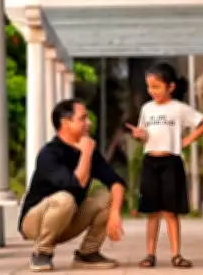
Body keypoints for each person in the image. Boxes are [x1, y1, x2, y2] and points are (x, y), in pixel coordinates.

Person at [19, 98, 127, 272]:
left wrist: (114, 213)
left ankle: (87, 253)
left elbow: (117, 183)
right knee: (65, 199)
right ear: (66, 122)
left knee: (106, 195)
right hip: (35, 222)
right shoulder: (49, 153)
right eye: (83, 118)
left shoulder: (90, 150)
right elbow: (75, 184)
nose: (89, 123)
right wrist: (85, 154)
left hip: (66, 219)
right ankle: (42, 252)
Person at [127, 62, 203, 269]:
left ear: (171, 87)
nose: (152, 91)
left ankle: (176, 254)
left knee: (170, 212)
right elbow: (144, 135)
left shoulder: (179, 109)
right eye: (149, 87)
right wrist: (140, 135)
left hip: (171, 162)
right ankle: (149, 254)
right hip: (150, 161)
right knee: (152, 212)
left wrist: (187, 140)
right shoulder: (146, 109)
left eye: (156, 86)